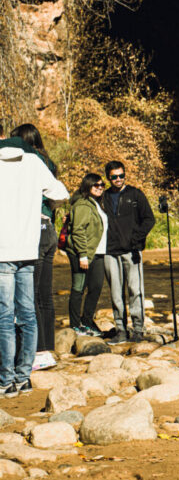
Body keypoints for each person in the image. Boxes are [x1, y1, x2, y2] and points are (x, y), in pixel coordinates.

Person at [0, 126, 67, 395]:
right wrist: (42, 206)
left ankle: (6, 381)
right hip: (28, 248)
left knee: (4, 317)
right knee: (27, 314)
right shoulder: (33, 162)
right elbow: (61, 194)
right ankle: (23, 377)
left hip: (2, 250)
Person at [100, 161, 155, 343]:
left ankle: (138, 329)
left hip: (132, 251)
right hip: (110, 251)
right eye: (114, 176)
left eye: (121, 176)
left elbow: (149, 219)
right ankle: (121, 329)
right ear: (109, 177)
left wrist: (136, 239)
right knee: (116, 293)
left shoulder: (135, 195)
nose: (118, 179)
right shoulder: (103, 196)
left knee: (135, 290)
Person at [67, 174, 109, 338]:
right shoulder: (83, 204)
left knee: (96, 287)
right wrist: (82, 255)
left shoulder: (98, 204)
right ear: (87, 186)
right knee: (78, 288)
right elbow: (78, 231)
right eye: (95, 185)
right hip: (83, 253)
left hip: (98, 253)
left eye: (101, 185)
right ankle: (75, 325)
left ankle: (87, 321)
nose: (99, 187)